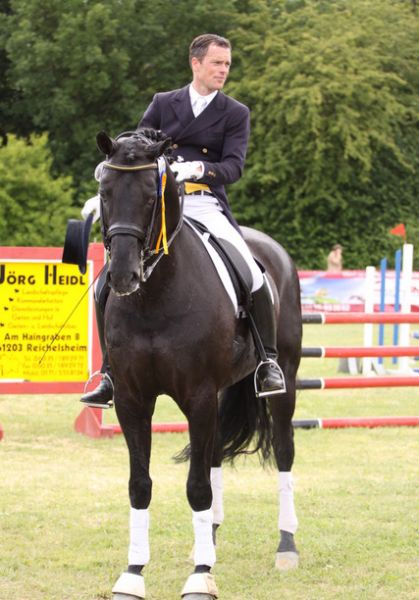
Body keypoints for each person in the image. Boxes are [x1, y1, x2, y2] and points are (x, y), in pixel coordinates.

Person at [80, 33, 285, 408]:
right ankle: (109, 372)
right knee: (104, 282)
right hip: (157, 202)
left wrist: (199, 168)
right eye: (216, 63)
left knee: (253, 273)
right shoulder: (164, 103)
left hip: (205, 202)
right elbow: (136, 145)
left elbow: (234, 167)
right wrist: (110, 178)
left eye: (227, 64)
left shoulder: (235, 113)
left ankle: (267, 362)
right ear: (196, 63)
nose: (223, 70)